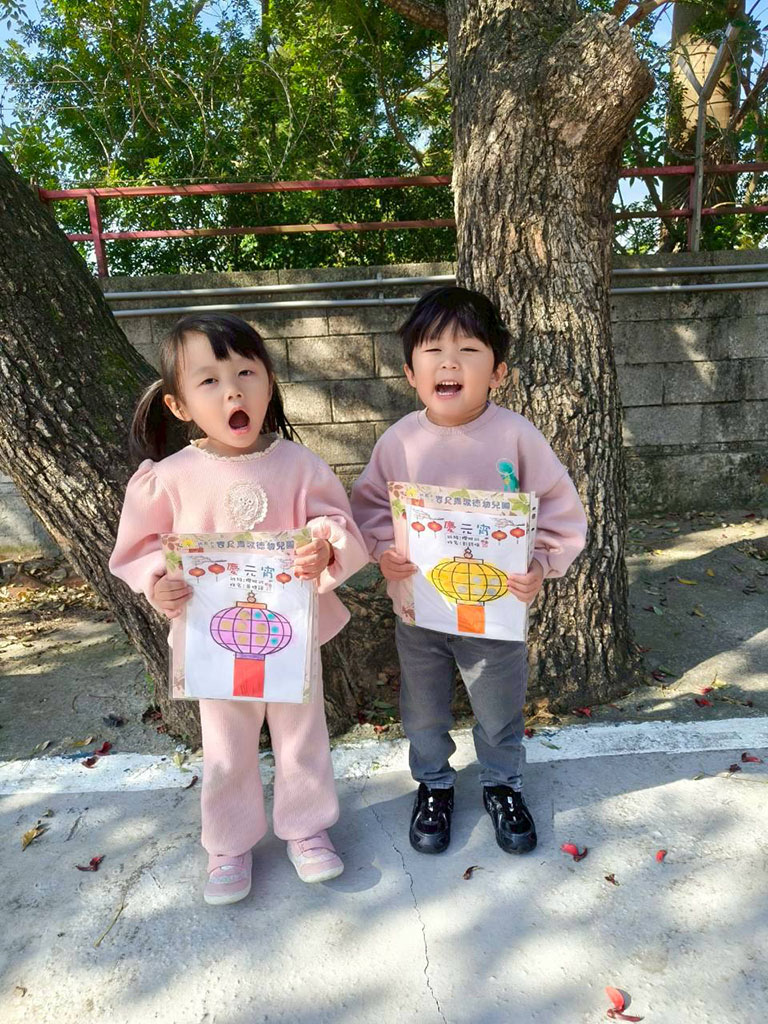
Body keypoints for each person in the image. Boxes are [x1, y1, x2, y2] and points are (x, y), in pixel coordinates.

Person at [110, 313, 368, 905]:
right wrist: (156, 583)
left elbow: (337, 523)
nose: (232, 392)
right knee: (226, 745)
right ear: (179, 405)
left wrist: (324, 549)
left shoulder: (300, 465)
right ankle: (228, 843)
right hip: (216, 642)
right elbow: (139, 549)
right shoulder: (169, 479)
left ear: (269, 382)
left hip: (289, 638)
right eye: (209, 380)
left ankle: (307, 828)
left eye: (246, 373)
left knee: (302, 735)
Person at [350, 286, 587, 857]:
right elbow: (369, 509)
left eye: (468, 350)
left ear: (498, 372)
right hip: (419, 610)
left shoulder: (518, 437)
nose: (449, 363)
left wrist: (540, 563)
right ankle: (433, 784)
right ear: (411, 372)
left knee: (499, 708)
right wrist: (383, 552)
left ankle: (502, 782)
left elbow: (560, 511)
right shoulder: (399, 441)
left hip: (495, 615)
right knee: (423, 709)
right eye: (433, 350)